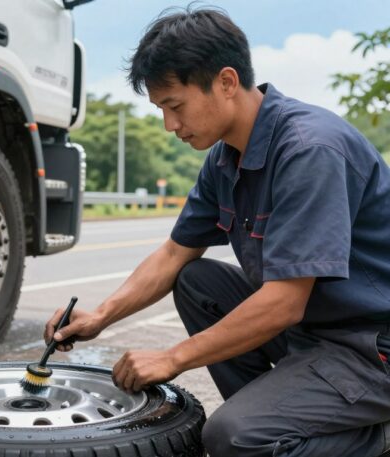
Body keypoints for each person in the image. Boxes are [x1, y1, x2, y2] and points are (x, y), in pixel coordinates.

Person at [44, 7, 390, 457]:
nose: (170, 126)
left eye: (175, 106)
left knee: (232, 437)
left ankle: (371, 436)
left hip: (370, 350)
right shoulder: (226, 158)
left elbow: (285, 302)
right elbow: (174, 254)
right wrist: (100, 316)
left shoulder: (310, 150)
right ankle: (288, 413)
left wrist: (172, 357)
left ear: (226, 82)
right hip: (314, 333)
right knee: (195, 280)